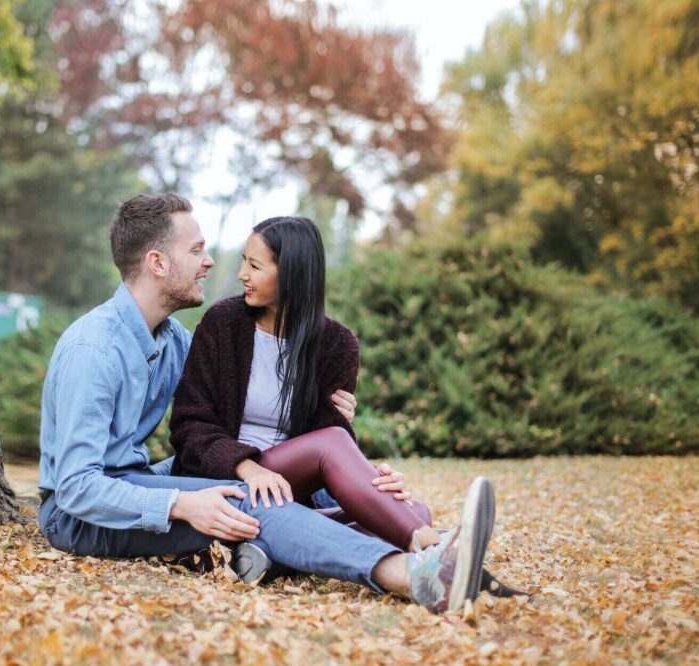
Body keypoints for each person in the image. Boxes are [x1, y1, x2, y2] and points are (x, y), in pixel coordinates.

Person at [37, 194, 497, 613]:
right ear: (157, 262)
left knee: (261, 498)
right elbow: (77, 487)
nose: (211, 262)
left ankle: (406, 539)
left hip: (138, 480)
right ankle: (413, 574)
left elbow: (225, 404)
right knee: (247, 499)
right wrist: (180, 504)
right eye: (196, 251)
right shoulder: (93, 351)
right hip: (78, 515)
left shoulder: (173, 341)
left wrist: (352, 455)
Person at [170, 216, 520, 596]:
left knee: (410, 506)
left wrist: (373, 481)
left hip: (290, 491)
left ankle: (267, 554)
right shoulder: (224, 323)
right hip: (226, 477)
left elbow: (325, 438)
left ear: (293, 273)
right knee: (367, 479)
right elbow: (190, 424)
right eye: (244, 261)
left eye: (255, 265)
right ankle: (434, 546)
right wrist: (248, 467)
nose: (241, 274)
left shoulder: (337, 345)